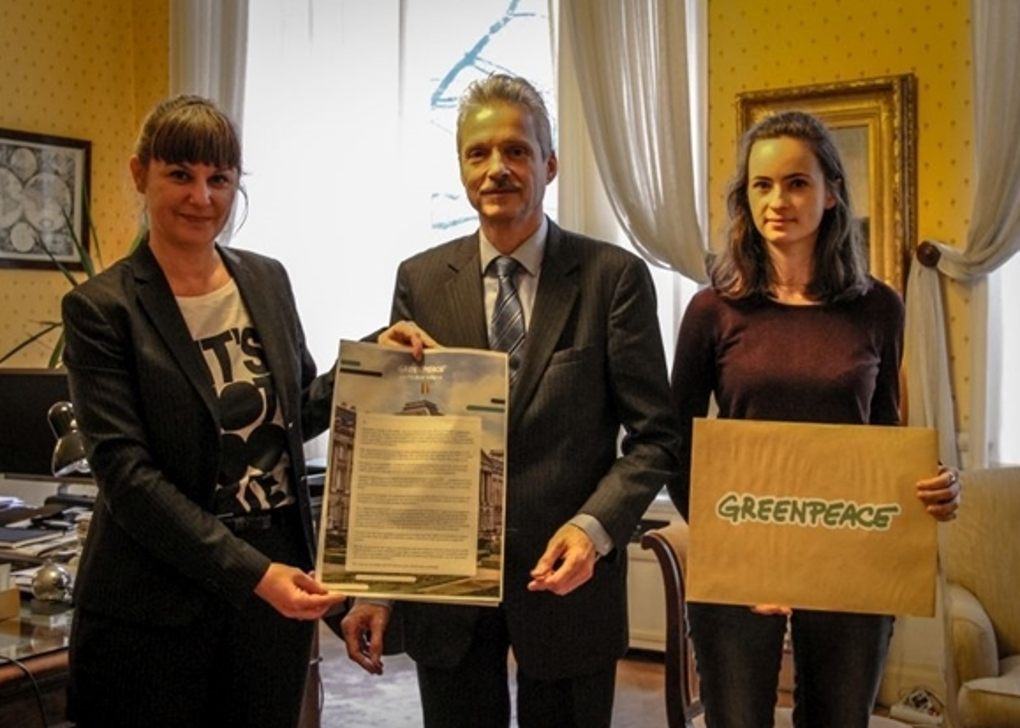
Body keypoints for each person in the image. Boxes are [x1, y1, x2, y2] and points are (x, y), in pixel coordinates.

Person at [339, 73, 681, 728]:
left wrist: (594, 529)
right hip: (447, 593)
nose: (497, 168)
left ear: (549, 164)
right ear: (462, 169)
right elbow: (404, 447)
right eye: (479, 153)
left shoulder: (613, 278)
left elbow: (656, 437)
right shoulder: (419, 279)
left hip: (570, 584)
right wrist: (379, 587)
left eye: (516, 150)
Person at [668, 109, 962, 728]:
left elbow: (882, 436)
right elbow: (676, 445)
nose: (779, 201)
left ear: (831, 193)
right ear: (746, 198)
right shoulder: (712, 309)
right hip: (740, 556)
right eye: (763, 185)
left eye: (797, 183)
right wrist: (738, 551)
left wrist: (932, 483)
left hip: (849, 555)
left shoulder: (879, 307)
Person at [60, 94, 346, 728]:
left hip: (274, 589)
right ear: (140, 174)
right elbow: (128, 478)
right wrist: (251, 574)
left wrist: (375, 363)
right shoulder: (101, 309)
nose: (202, 197)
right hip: (155, 607)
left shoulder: (267, 280)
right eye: (180, 174)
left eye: (220, 178)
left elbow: (293, 416)